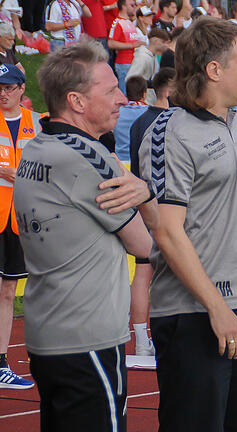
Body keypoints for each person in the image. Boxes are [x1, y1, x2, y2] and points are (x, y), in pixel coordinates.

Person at [136, 17, 237, 432]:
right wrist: (216, 307)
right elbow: (166, 231)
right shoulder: (170, 131)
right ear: (214, 70)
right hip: (194, 314)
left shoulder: (235, 123)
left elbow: (233, 217)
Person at [15, 40, 157, 431]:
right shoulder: (88, 157)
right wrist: (147, 190)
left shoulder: (37, 147)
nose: (121, 99)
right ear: (76, 101)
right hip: (89, 339)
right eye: (110, 90)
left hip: (47, 333)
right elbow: (146, 245)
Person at [127, 67, 174, 358]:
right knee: (167, 272)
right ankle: (159, 337)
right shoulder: (173, 122)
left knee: (143, 273)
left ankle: (143, 340)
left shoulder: (138, 122)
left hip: (142, 202)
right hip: (165, 205)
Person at [0, 64, 38, 391]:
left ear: (22, 88)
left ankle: (1, 363)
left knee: (8, 290)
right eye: (0, 87)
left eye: (10, 87)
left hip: (18, 219)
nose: (3, 93)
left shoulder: (34, 122)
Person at [108, 0, 141, 94]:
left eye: (135, 5)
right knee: (126, 94)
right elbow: (111, 43)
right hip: (124, 63)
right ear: (123, 6)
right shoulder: (117, 22)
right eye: (132, 5)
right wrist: (132, 45)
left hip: (132, 62)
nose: (135, 7)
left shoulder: (129, 22)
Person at [114, 76, 147, 161]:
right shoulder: (150, 112)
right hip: (141, 162)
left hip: (121, 161)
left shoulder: (116, 112)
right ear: (144, 94)